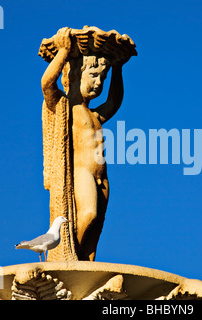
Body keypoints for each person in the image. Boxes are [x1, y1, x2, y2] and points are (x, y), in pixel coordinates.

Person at [41, 27, 127, 261]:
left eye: (102, 77)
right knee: (88, 214)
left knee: (96, 226)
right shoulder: (64, 107)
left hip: (102, 177)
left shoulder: (95, 115)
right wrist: (63, 52)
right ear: (75, 75)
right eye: (93, 76)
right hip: (80, 173)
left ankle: (85, 263)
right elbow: (47, 84)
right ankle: (67, 257)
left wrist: (117, 67)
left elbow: (114, 101)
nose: (98, 82)